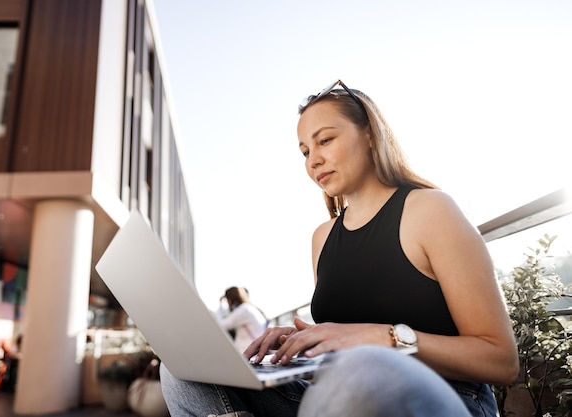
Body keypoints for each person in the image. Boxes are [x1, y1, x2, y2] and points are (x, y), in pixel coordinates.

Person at [160, 79, 519, 416]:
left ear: (368, 134)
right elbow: (339, 352)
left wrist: (384, 338)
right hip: (344, 396)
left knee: (363, 375)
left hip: (446, 396)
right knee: (183, 372)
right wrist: (307, 342)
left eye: (325, 140)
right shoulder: (322, 237)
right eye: (304, 150)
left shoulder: (430, 209)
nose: (312, 159)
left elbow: (501, 360)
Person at [216, 287, 268, 352]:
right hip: (255, 347)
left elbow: (221, 325)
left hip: (252, 350)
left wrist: (220, 304)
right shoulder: (248, 307)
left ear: (230, 299)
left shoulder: (242, 311)